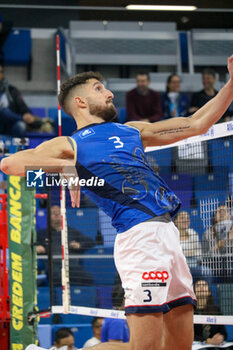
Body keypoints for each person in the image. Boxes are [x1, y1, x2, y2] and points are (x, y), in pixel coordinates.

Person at [1, 55, 233, 350]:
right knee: (144, 347)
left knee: (179, 346)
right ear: (80, 103)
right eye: (99, 88)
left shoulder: (132, 129)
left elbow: (196, 124)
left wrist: (231, 84)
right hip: (140, 238)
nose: (109, 93)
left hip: (169, 236)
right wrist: (70, 168)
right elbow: (11, 163)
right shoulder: (72, 144)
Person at [37, 205, 95, 286]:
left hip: (71, 264)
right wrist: (37, 247)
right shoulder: (42, 233)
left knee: (88, 279)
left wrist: (79, 245)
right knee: (56, 277)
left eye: (59, 213)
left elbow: (90, 242)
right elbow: (31, 245)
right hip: (53, 266)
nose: (57, 214)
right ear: (48, 217)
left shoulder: (72, 231)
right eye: (54, 213)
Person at [0, 64, 54, 136]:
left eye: (1, 72)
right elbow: (2, 112)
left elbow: (22, 105)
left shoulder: (11, 90)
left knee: (21, 126)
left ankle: (18, 146)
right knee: (5, 112)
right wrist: (21, 118)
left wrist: (27, 115)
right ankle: (39, 122)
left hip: (11, 124)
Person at [194, 279, 229, 349]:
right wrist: (207, 341)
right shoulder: (190, 311)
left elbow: (223, 333)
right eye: (198, 286)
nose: (201, 287)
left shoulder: (216, 310)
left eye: (204, 285)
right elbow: (189, 335)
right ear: (194, 292)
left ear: (209, 292)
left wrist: (220, 338)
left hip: (215, 346)